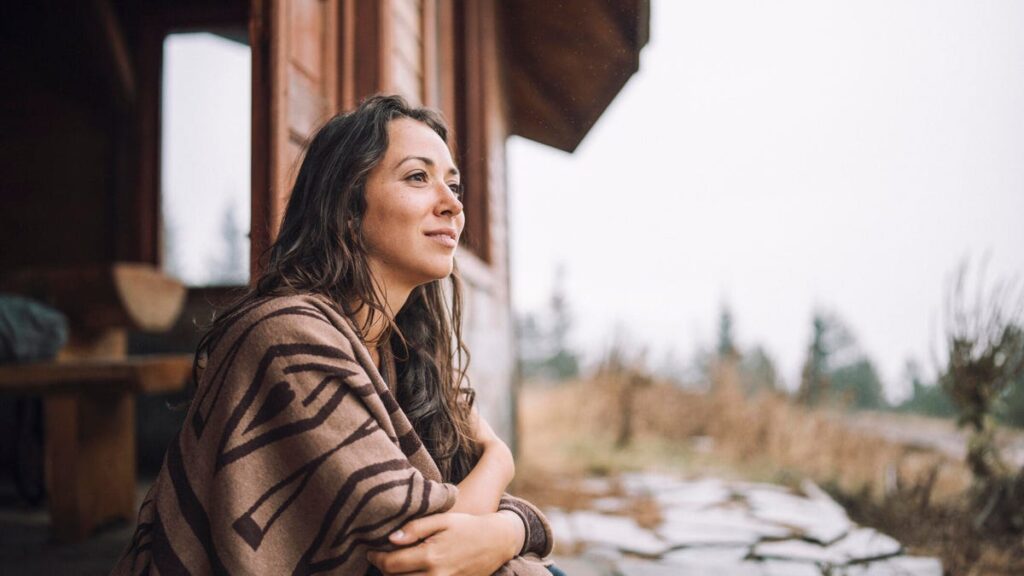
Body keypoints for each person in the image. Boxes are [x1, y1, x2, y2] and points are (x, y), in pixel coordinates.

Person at [112, 95, 553, 575]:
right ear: (346, 206)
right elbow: (424, 551)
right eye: (417, 177)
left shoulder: (397, 352)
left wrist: (507, 527)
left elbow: (461, 529)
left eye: (453, 184)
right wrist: (504, 471)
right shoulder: (286, 338)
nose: (452, 204)